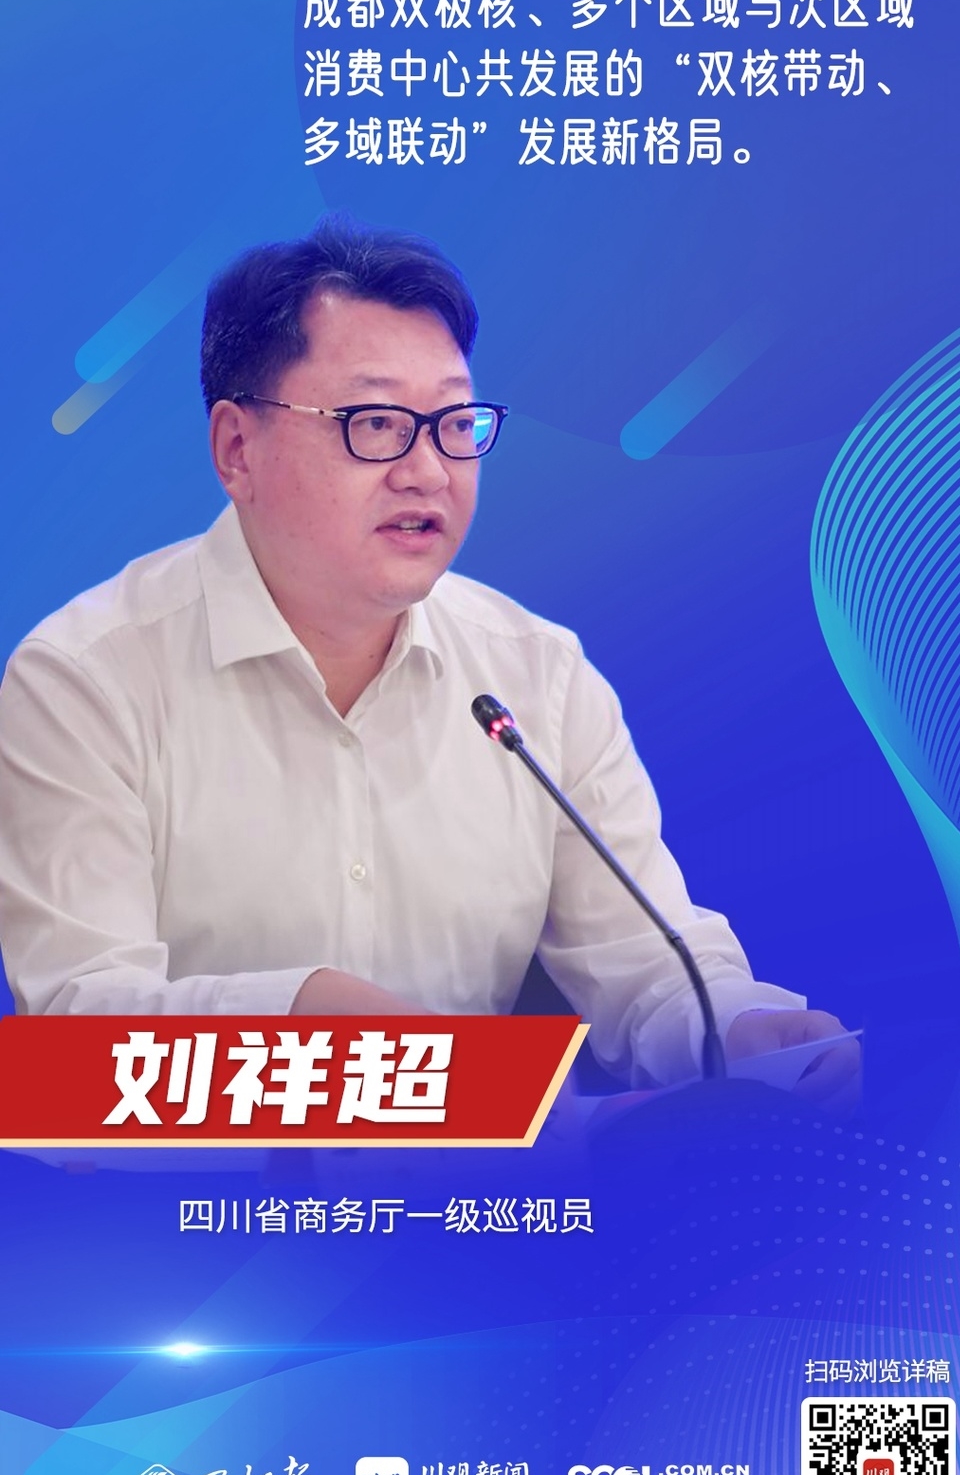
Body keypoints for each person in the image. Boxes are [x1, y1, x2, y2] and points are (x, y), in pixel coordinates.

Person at [0, 218, 859, 1108]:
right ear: (236, 450)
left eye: (453, 423)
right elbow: (73, 1040)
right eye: (375, 423)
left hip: (491, 1188)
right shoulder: (84, 682)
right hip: (196, 1196)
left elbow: (647, 968)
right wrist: (303, 1024)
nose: (428, 470)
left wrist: (740, 1029)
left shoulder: (538, 679)